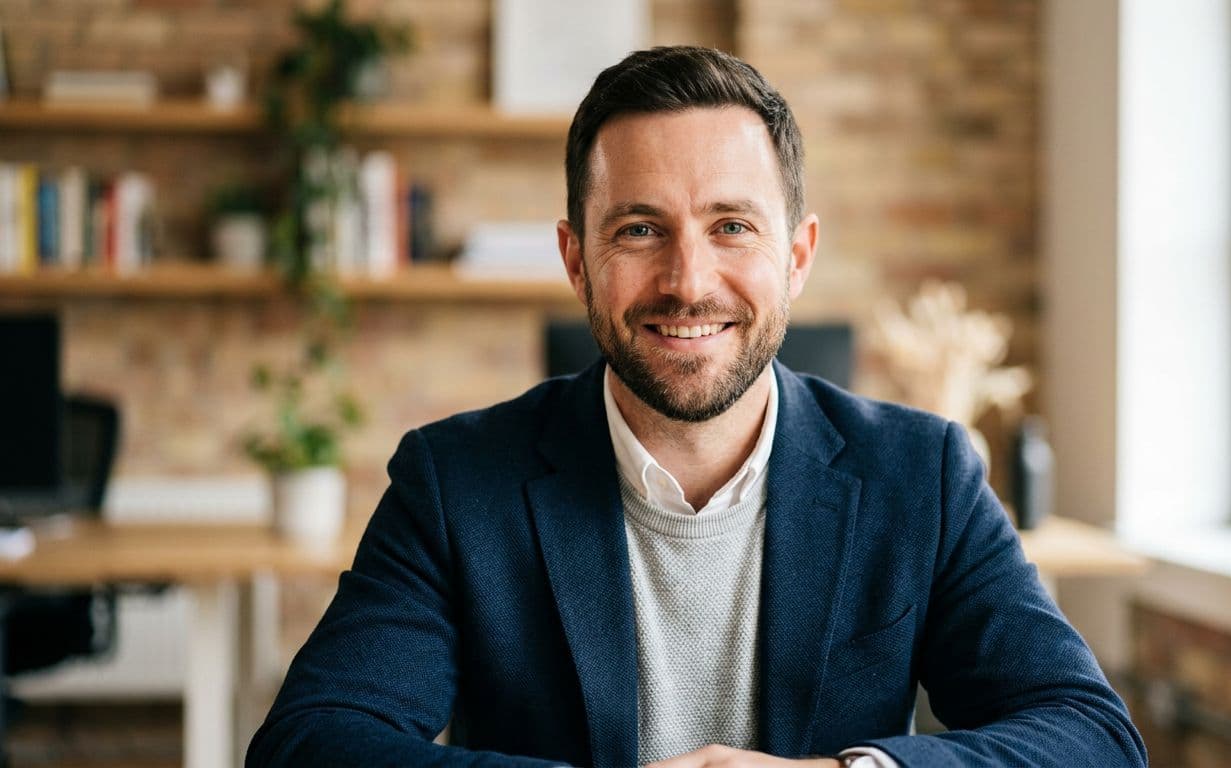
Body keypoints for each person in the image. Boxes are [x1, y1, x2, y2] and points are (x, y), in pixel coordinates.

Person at [248, 46, 1148, 768]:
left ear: (797, 256)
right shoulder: (456, 482)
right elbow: (312, 742)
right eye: (640, 229)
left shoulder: (923, 475)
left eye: (732, 227)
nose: (688, 281)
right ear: (577, 261)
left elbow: (1090, 735)